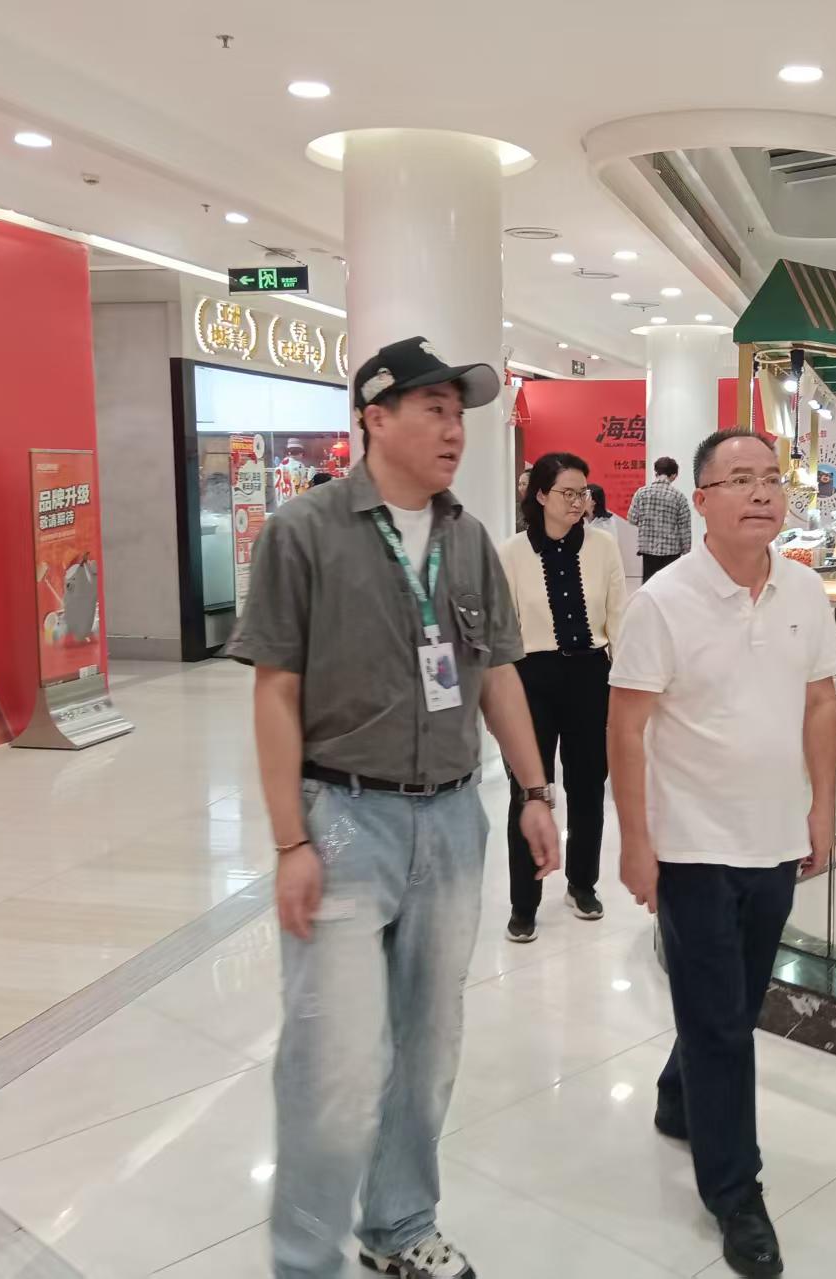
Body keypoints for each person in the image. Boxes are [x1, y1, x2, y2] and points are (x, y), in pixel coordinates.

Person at [227, 335, 562, 1279]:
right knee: (332, 1059)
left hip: (452, 819)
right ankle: (305, 1258)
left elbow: (498, 671)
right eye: (434, 410)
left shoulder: (468, 538)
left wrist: (535, 790)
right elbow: (275, 690)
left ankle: (400, 1222)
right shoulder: (304, 531)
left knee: (428, 1043)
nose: (455, 430)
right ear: (375, 417)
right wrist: (290, 839)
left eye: (460, 413)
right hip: (343, 816)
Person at [609, 430, 836, 1278]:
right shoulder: (663, 602)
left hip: (775, 835)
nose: (761, 492)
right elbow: (625, 728)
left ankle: (680, 1095)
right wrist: (636, 842)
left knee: (736, 1003)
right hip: (692, 843)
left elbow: (820, 703)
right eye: (740, 479)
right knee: (720, 1021)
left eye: (771, 478)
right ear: (700, 500)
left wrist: (823, 808)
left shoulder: (805, 589)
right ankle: (736, 1193)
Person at [497, 453, 628, 942]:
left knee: (589, 784)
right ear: (541, 495)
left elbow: (619, 617)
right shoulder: (511, 553)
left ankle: (582, 883)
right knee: (528, 791)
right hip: (530, 678)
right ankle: (523, 902)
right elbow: (504, 630)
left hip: (590, 675)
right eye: (568, 493)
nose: (578, 502)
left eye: (583, 493)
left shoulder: (603, 547)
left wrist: (626, 683)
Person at [628, 455, 692, 581]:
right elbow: (684, 528)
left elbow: (632, 518)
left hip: (647, 550)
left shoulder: (641, 493)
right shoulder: (679, 497)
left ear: (656, 473)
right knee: (668, 585)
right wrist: (686, 552)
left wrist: (647, 525)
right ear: (673, 475)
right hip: (672, 552)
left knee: (649, 585)